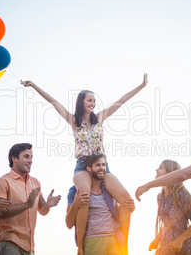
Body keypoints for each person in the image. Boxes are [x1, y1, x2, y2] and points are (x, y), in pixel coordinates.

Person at [21, 73, 147, 254]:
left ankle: (123, 242)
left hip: (102, 165)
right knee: (84, 196)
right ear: (82, 102)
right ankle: (81, 246)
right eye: (89, 100)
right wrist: (33, 85)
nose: (93, 103)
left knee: (127, 202)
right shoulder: (74, 121)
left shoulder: (100, 118)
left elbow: (121, 101)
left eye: (94, 100)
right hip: (82, 166)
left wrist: (141, 86)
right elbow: (53, 102)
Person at [0, 143, 61, 255]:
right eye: (26, 156)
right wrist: (26, 205)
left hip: (30, 247)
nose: (30, 160)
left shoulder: (35, 182)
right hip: (9, 243)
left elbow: (43, 211)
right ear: (14, 158)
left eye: (31, 157)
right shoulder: (2, 182)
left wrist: (48, 204)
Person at [65, 153, 135, 255]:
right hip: (93, 241)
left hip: (114, 240)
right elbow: (69, 223)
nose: (101, 168)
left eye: (103, 165)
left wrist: (130, 207)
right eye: (98, 165)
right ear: (89, 168)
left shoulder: (110, 190)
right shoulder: (76, 191)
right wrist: (75, 204)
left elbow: (120, 213)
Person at [149, 159, 191, 255]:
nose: (156, 170)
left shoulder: (182, 195)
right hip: (164, 247)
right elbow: (168, 223)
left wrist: (180, 240)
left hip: (181, 249)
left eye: (160, 167)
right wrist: (157, 238)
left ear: (170, 173)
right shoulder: (160, 197)